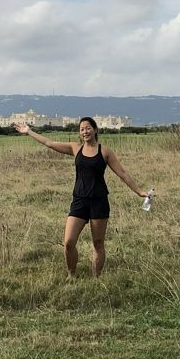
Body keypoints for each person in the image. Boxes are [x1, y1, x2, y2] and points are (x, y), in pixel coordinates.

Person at [15, 116, 149, 278]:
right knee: (69, 242)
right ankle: (71, 275)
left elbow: (122, 173)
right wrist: (28, 131)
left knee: (98, 243)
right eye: (82, 129)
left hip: (99, 201)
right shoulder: (75, 148)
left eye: (88, 128)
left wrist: (139, 191)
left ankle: (96, 278)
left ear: (95, 130)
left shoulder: (105, 151)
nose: (85, 131)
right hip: (79, 200)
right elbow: (49, 143)